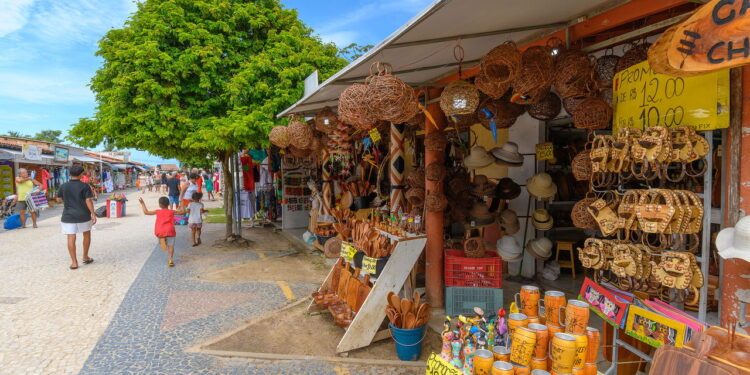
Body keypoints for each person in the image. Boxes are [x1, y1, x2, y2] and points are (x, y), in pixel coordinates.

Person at [57, 165, 96, 270]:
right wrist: (93, 213)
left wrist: (67, 200)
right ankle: (85, 256)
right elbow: (88, 200)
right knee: (86, 234)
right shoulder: (85, 186)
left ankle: (74, 262)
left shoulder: (63, 186)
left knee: (71, 238)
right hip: (83, 215)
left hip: (68, 215)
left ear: (70, 174)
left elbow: (58, 199)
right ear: (81, 174)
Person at [139, 196, 185, 267]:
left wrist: (142, 203)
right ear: (169, 204)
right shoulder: (171, 211)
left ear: (159, 205)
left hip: (160, 230)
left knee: (162, 239)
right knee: (171, 246)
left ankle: (163, 240)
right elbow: (183, 212)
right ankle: (170, 260)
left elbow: (146, 212)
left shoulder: (158, 211)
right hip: (170, 230)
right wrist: (182, 203)